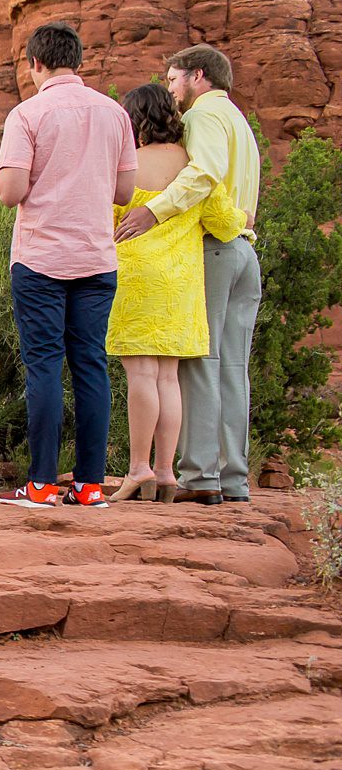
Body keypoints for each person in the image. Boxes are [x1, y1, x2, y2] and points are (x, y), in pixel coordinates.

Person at [0, 21, 136, 509]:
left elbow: (11, 192)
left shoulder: (27, 114)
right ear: (78, 60)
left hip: (40, 259)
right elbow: (123, 193)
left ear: (35, 63)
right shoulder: (116, 114)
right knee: (91, 366)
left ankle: (40, 485)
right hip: (96, 258)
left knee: (44, 369)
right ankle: (91, 485)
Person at [113, 44, 263, 505]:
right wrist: (241, 220)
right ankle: (231, 476)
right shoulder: (239, 121)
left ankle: (200, 476)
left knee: (198, 368)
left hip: (208, 253)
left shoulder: (202, 119)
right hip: (240, 249)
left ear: (198, 75)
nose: (173, 89)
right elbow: (221, 197)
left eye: (174, 78)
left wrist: (153, 211)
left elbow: (205, 178)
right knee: (230, 368)